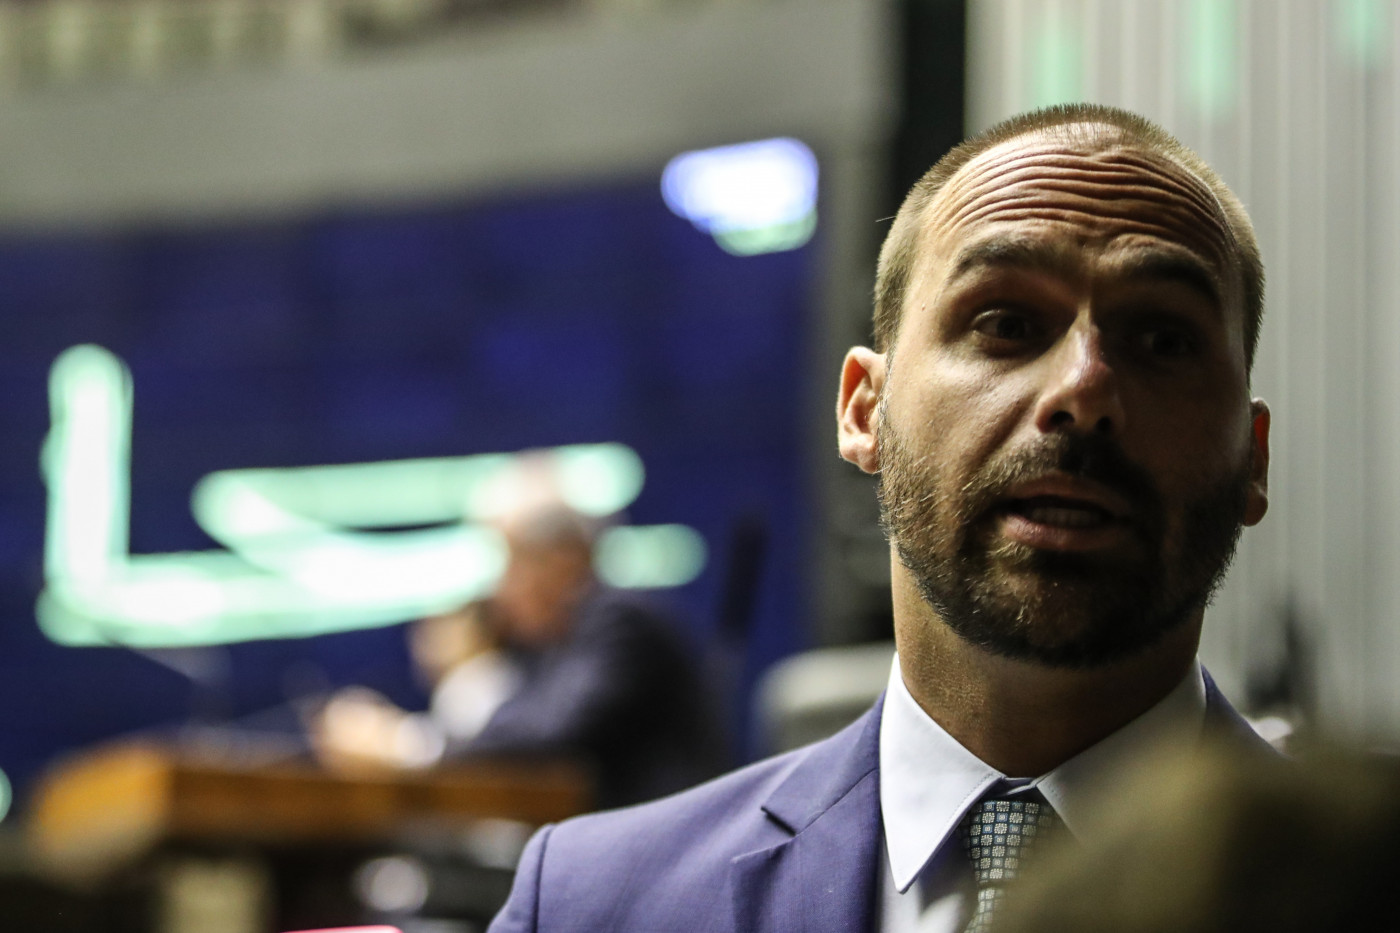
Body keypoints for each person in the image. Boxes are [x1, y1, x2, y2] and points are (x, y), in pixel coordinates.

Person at [486, 102, 1277, 933]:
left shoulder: (1354, 888)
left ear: (1254, 458)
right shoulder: (589, 906)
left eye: (1163, 340)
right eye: (1005, 324)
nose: (1083, 388)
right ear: (864, 409)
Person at [316, 474, 727, 809]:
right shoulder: (552, 644)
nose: (500, 592)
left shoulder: (621, 622)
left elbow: (548, 734)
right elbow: (508, 724)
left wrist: (406, 746)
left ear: (561, 560)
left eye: (509, 563)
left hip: (664, 854)